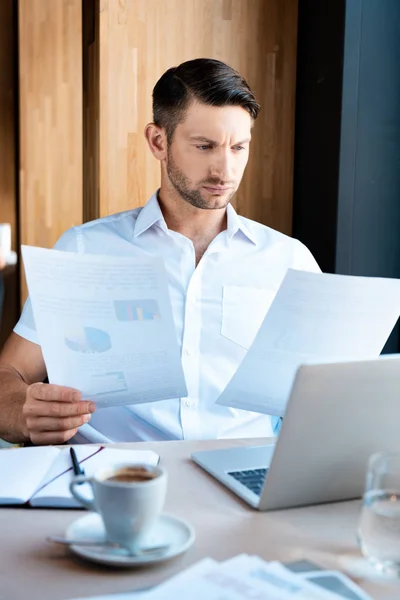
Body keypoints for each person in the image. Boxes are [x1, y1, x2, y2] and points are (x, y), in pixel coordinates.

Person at [0, 58, 320, 446]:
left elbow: (323, 395)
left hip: (242, 480)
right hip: (110, 477)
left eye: (239, 147)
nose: (225, 169)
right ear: (158, 141)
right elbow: (10, 373)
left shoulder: (290, 260)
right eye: (204, 146)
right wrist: (21, 410)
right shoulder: (85, 250)